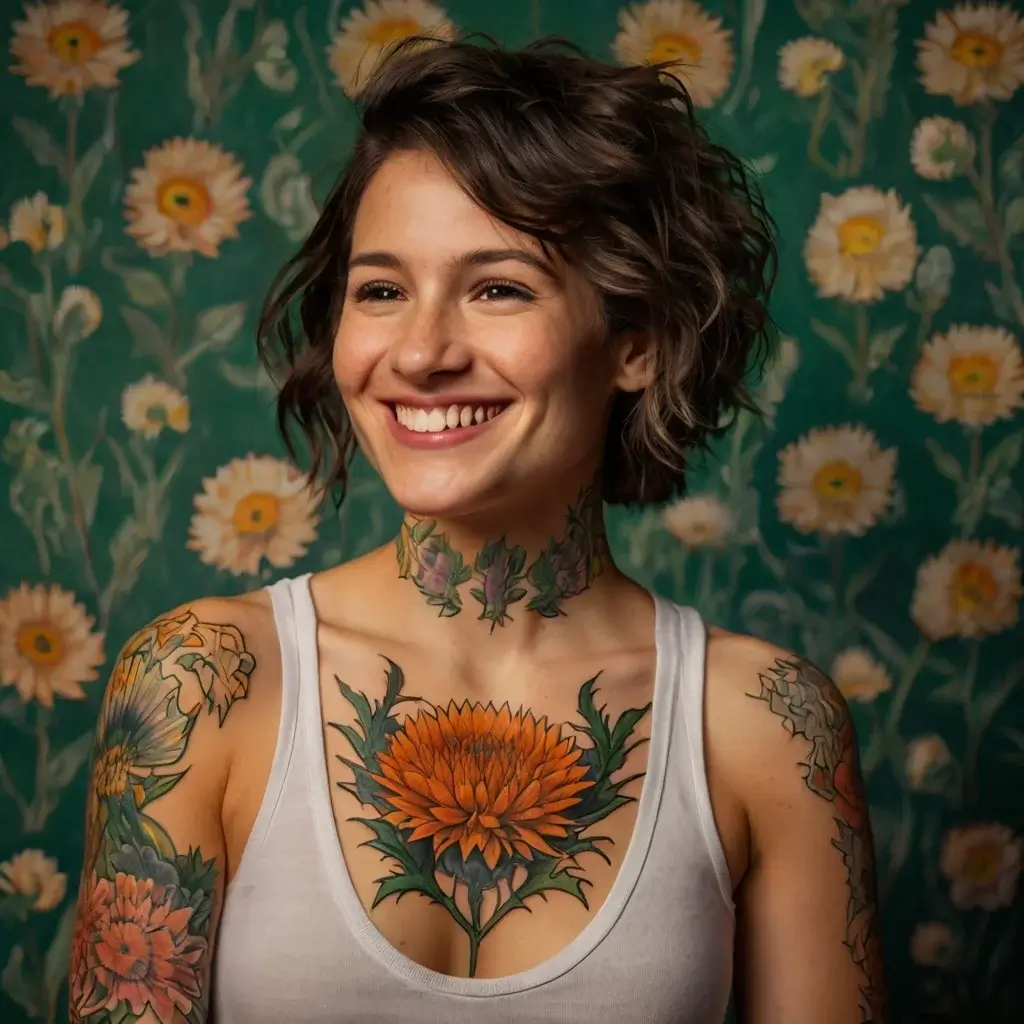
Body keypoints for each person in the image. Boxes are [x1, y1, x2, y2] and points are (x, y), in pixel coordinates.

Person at [67, 36, 886, 1024]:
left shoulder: (767, 725)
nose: (418, 352)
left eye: (497, 286)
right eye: (379, 290)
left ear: (635, 340)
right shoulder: (205, 683)